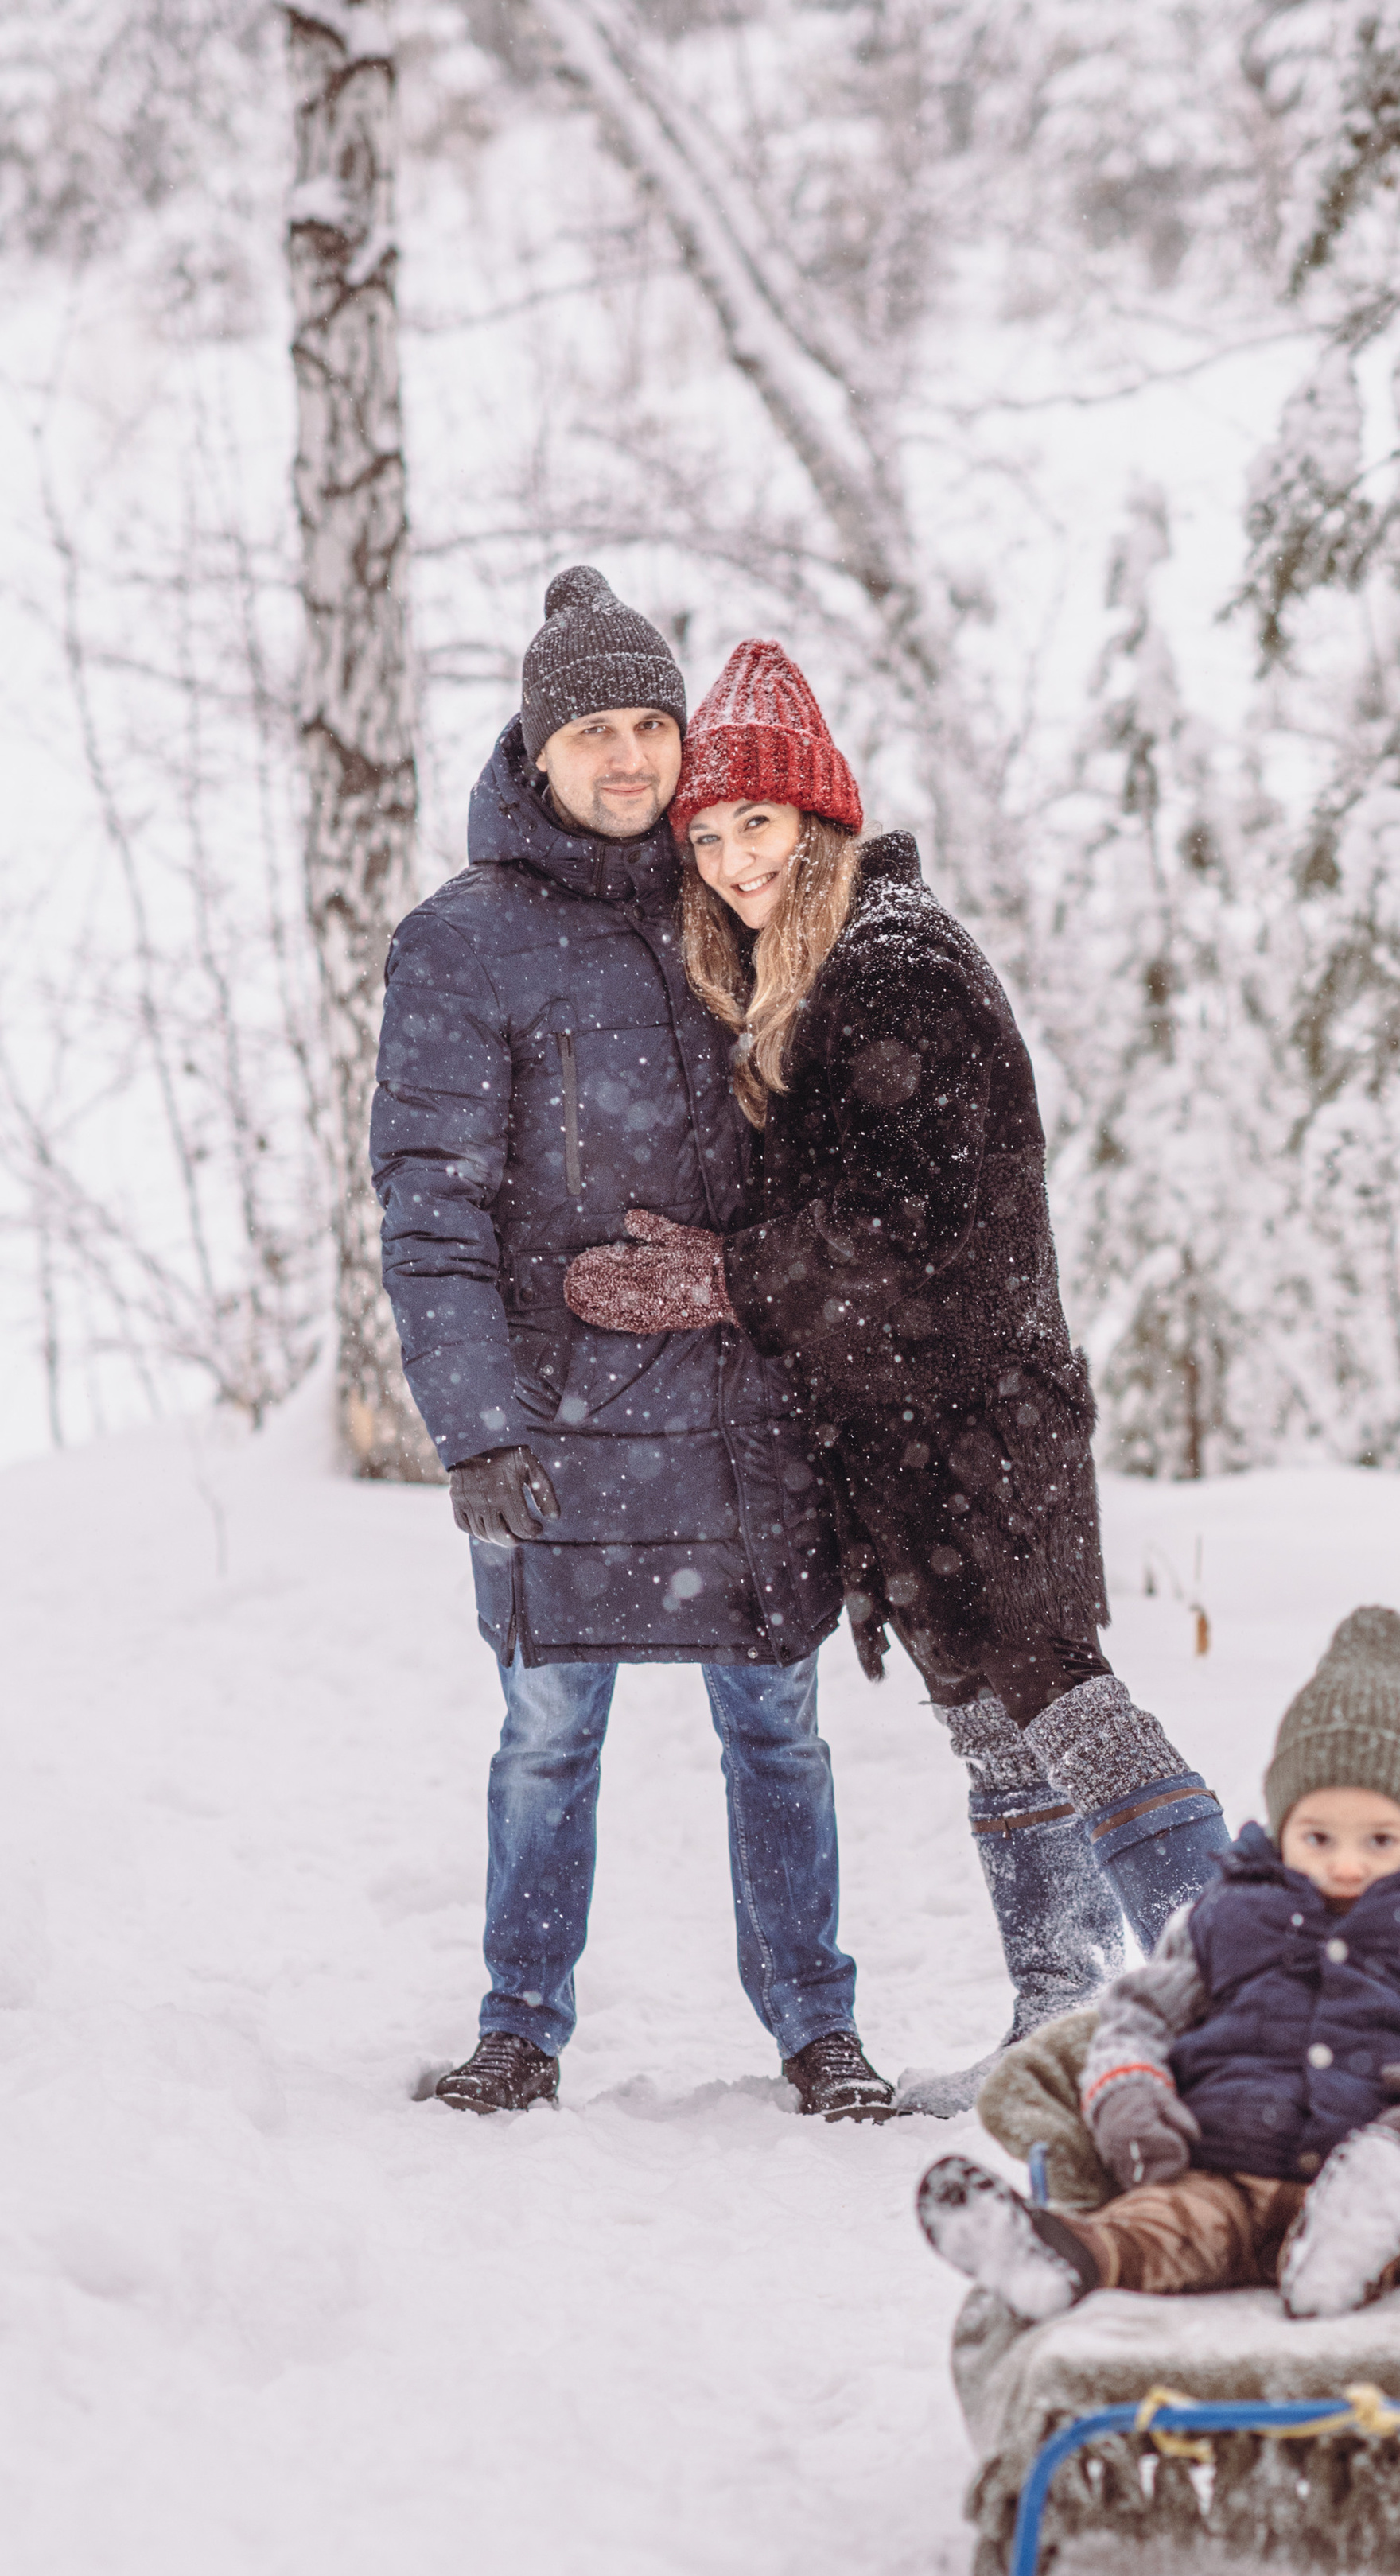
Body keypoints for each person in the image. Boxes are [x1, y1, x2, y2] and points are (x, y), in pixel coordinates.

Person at [562, 639, 1232, 2117]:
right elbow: (849, 1211)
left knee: (1062, 1694)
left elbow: (905, 1231)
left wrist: (725, 1277)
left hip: (980, 1418)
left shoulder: (894, 963)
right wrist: (732, 1251)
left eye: (762, 823)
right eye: (712, 833)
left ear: (820, 819)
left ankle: (1264, 2001)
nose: (735, 858)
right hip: (910, 1434)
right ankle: (1058, 2024)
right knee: (992, 1720)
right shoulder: (813, 976)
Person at [371, 569, 892, 2121]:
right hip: (560, 1419)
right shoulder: (461, 943)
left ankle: (815, 2025)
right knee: (547, 1729)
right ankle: (520, 2023)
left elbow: (834, 1151)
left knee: (777, 1728)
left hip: (746, 1409)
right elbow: (431, 1202)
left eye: (648, 725)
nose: (625, 758)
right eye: (590, 729)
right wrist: (474, 1424)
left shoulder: (728, 892)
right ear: (537, 752)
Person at [912, 1607, 1400, 2317]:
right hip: (1218, 2171)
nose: (1348, 1863)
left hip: (1383, 2176)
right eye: (1319, 1836)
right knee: (1155, 2230)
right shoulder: (1226, 1914)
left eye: (1381, 1840)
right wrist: (1131, 2096)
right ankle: (1061, 2260)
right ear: (1283, 1824)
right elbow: (1137, 2017)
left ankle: (1342, 2260)